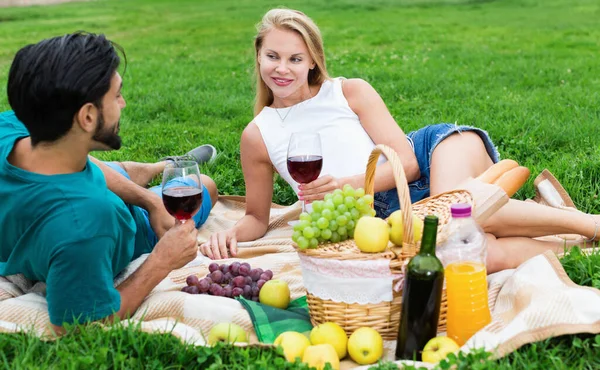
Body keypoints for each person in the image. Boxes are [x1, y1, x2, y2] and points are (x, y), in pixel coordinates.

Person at [200, 8, 599, 272]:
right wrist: (228, 235)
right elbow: (255, 216)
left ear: (313, 61)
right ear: (258, 56)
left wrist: (348, 185)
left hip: (432, 155)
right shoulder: (258, 135)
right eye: (273, 56)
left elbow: (407, 163)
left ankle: (589, 223)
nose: (282, 69)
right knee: (462, 251)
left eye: (295, 59)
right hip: (387, 217)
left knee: (452, 210)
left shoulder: (348, 91)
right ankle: (578, 249)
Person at [0, 31, 219, 333]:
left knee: (118, 169)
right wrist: (161, 261)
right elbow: (85, 323)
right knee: (205, 185)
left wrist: (151, 201)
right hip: (125, 221)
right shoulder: (84, 226)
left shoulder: (13, 128)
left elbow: (80, 162)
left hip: (83, 182)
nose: (124, 103)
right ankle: (162, 170)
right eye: (116, 95)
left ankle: (158, 167)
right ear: (87, 116)